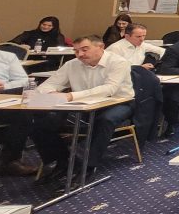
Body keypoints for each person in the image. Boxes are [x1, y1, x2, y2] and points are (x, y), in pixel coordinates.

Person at [35, 35, 135, 179]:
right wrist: (42, 93)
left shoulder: (118, 62)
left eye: (85, 49)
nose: (80, 54)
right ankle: (63, 161)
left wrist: (72, 95)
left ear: (101, 47)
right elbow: (50, 84)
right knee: (40, 121)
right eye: (76, 51)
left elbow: (109, 89)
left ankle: (88, 166)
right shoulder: (72, 64)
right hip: (82, 104)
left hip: (118, 102)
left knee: (105, 120)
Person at [0, 24, 37, 176]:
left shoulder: (7, 57)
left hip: (2, 99)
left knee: (25, 112)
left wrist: (4, 85)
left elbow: (23, 81)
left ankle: (10, 161)